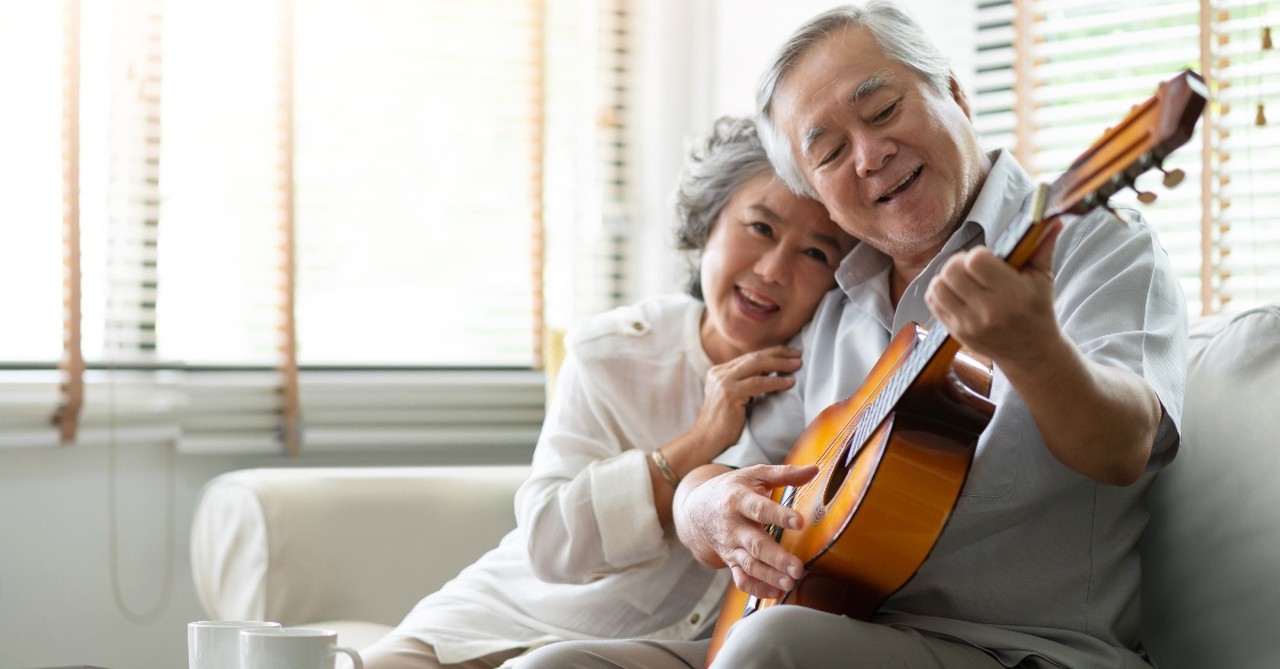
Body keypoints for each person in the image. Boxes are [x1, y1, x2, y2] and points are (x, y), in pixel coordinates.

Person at [514, 2, 1186, 668]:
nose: (870, 155)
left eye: (884, 110)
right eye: (830, 151)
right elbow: (746, 467)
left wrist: (1033, 349)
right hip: (821, 627)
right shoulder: (835, 303)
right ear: (819, 191)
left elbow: (1124, 448)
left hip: (1021, 650)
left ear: (953, 91)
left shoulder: (1091, 244)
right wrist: (703, 505)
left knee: (772, 644)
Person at [358, 115, 855, 669]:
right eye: (760, 228)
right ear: (708, 223)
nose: (773, 270)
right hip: (506, 614)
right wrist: (699, 441)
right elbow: (549, 542)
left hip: (657, 648)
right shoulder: (612, 351)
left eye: (816, 253)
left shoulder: (834, 375)